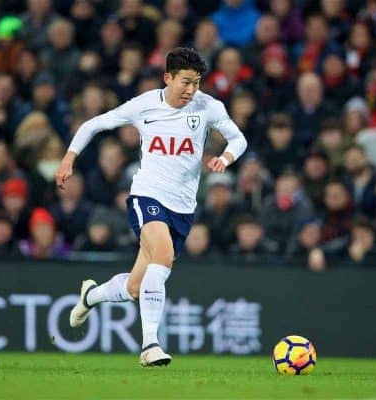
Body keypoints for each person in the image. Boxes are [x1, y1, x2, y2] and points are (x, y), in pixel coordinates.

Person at [55, 47, 247, 367]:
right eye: (185, 82)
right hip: (147, 197)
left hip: (183, 207)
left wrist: (225, 158)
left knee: (135, 287)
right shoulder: (144, 105)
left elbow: (238, 139)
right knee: (163, 256)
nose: (191, 90)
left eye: (197, 83)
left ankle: (90, 296)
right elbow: (92, 125)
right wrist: (69, 158)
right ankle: (150, 346)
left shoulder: (208, 107)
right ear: (167, 78)